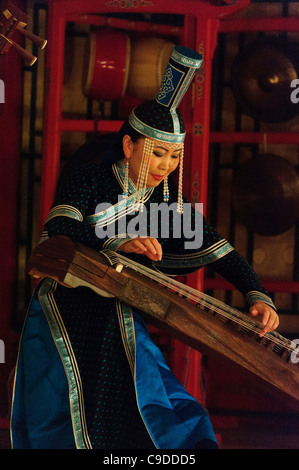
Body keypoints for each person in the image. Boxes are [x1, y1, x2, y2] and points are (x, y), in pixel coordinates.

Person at [11, 46, 279, 450]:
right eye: (157, 152)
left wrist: (257, 294)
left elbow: (220, 250)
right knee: (76, 408)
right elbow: (61, 227)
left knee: (151, 404)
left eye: (174, 155)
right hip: (68, 305)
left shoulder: (162, 205)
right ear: (129, 146)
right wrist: (118, 241)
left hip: (119, 308)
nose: (166, 164)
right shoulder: (91, 179)